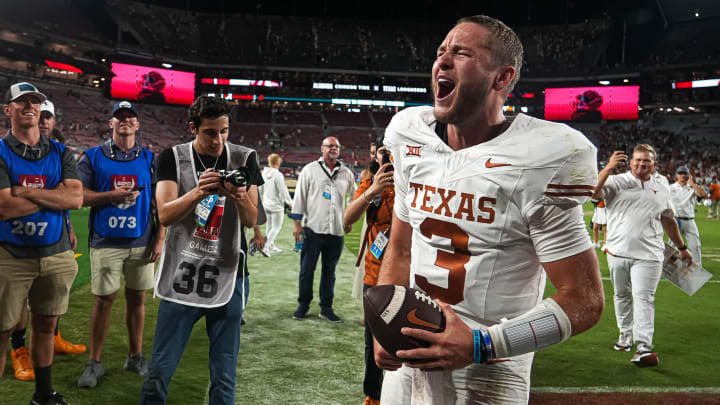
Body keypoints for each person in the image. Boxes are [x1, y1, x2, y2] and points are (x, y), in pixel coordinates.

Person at [373, 16, 605, 404]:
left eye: (461, 52)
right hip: (410, 356)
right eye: (441, 51)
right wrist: (386, 325)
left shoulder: (543, 156)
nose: (442, 61)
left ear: (501, 78)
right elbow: (400, 249)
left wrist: (482, 344)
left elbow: (584, 299)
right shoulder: (408, 134)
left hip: (488, 371)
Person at [139, 95, 262, 405]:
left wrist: (236, 195)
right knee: (160, 367)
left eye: (224, 131)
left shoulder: (246, 157)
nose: (218, 140)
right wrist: (198, 191)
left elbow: (252, 218)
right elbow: (165, 214)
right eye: (210, 132)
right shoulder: (171, 157)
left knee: (224, 372)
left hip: (230, 273)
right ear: (193, 127)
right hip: (183, 272)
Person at [0, 82, 83, 405]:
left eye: (34, 102)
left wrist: (27, 192)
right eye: (21, 102)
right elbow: (4, 207)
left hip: (56, 253)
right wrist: (54, 195)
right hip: (10, 253)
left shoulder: (61, 152)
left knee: (46, 325)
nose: (29, 107)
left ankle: (43, 395)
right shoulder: (0, 150)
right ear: (8, 110)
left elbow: (75, 198)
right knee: (3, 331)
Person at [76, 101, 165, 388]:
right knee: (103, 301)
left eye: (130, 118)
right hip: (105, 241)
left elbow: (159, 202)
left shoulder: (150, 158)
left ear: (138, 125)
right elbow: (78, 196)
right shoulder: (92, 157)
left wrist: (160, 237)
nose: (125, 121)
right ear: (111, 123)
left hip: (141, 240)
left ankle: (135, 356)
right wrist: (110, 195)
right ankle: (95, 362)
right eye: (120, 117)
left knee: (137, 300)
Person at [594, 145, 692, 367]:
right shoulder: (616, 181)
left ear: (654, 165)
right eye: (637, 160)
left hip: (650, 253)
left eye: (646, 161)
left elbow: (667, 218)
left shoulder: (662, 185)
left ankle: (644, 346)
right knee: (621, 295)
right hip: (617, 251)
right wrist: (608, 167)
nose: (641, 164)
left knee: (644, 298)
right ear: (630, 162)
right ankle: (624, 335)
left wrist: (682, 247)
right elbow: (593, 192)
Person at [343, 143, 394, 405]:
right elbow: (347, 218)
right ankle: (373, 396)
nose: (386, 157)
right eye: (381, 152)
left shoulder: (415, 181)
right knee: (372, 342)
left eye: (390, 152)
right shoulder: (370, 180)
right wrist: (375, 187)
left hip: (408, 275)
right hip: (375, 273)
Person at [291, 136, 356, 323]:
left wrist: (350, 217)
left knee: (330, 272)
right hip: (313, 228)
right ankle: (303, 305)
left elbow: (354, 196)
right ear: (322, 148)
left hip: (336, 231)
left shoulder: (346, 173)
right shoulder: (310, 170)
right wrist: (297, 224)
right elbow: (299, 198)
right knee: (306, 270)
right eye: (330, 146)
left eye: (336, 146)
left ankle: (326, 308)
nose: (333, 148)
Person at [669, 165, 706, 265]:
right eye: (680, 173)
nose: (682, 175)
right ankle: (669, 266)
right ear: (676, 175)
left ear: (689, 175)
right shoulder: (670, 188)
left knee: (695, 245)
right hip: (675, 220)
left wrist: (692, 184)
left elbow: (703, 194)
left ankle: (698, 267)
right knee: (672, 246)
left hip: (690, 221)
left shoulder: (693, 187)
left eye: (685, 173)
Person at [261, 153, 292, 254]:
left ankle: (271, 246)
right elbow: (283, 192)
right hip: (276, 206)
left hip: (266, 204)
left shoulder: (263, 173)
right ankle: (265, 247)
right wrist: (290, 202)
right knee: (276, 227)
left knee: (269, 227)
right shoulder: (278, 175)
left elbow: (260, 189)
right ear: (278, 162)